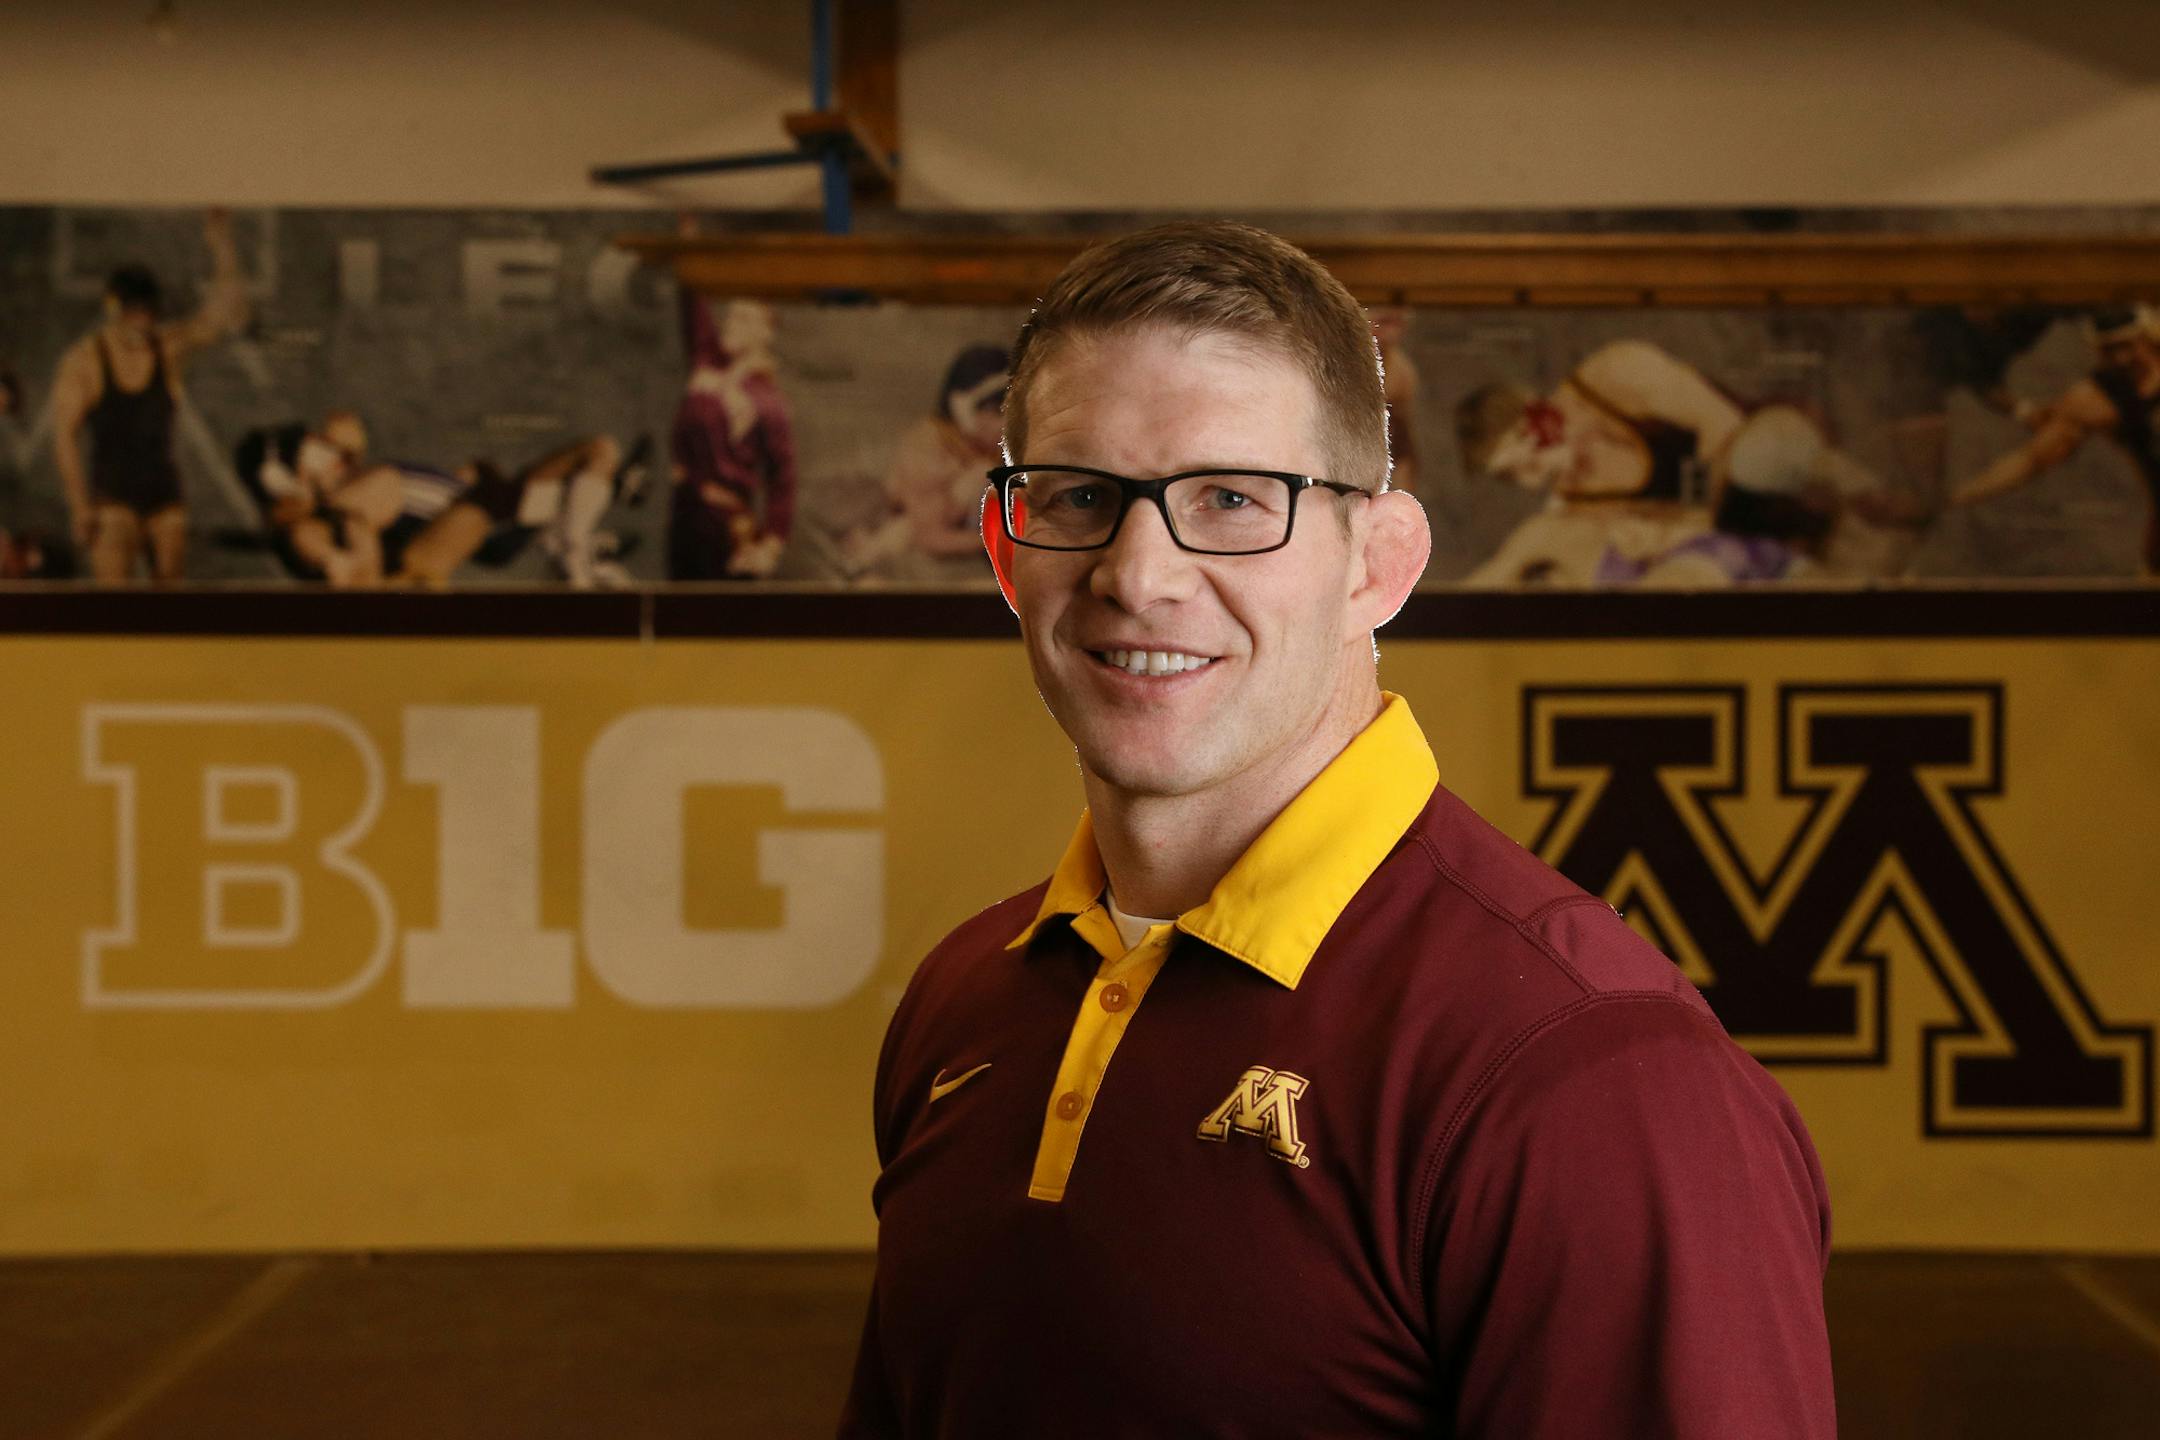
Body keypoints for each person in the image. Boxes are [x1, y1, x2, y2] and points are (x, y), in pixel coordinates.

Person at [841, 223, 1835, 1437]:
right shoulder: (965, 1002)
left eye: (1230, 499)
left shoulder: (1594, 1080)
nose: (1139, 575)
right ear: (1007, 552)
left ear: (1378, 565)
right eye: (1082, 497)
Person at [1455, 338, 1894, 585]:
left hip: (1774, 473)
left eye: (1525, 464)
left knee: (1760, 453)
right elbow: (1644, 534)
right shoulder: (1573, 500)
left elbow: (1719, 423)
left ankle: (1873, 501)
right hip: (1733, 535)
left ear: (1539, 420)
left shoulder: (1615, 374)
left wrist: (1693, 517)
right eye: (1512, 477)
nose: (1531, 483)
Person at [48, 209, 249, 582]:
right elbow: (63, 437)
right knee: (112, 594)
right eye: (134, 316)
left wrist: (223, 246)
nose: (142, 326)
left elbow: (225, 316)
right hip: (112, 496)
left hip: (163, 495)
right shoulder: (84, 362)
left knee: (169, 594)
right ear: (114, 312)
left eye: (148, 316)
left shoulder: (166, 347)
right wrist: (79, 505)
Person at [234, 412, 643, 588]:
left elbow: (349, 435)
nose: (327, 452)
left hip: (486, 509)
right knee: (593, 459)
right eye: (312, 452)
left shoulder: (348, 488)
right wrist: (350, 564)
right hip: (482, 520)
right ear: (293, 479)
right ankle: (576, 551)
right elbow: (363, 571)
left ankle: (573, 542)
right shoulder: (345, 506)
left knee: (599, 451)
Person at [1930, 305, 2160, 572]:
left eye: (2127, 345)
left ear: (2145, 338)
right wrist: (1958, 497)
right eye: (2110, 350)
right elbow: (2031, 460)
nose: (2121, 359)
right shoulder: (2099, 398)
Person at [837, 344, 1008, 582]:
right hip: (914, 564)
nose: (1005, 422)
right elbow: (931, 538)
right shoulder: (928, 448)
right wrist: (1002, 537)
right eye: (996, 411)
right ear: (964, 407)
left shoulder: (994, 449)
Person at [667, 286, 796, 581]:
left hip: (727, 527)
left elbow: (783, 479)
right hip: (685, 515)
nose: (730, 323)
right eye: (730, 315)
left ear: (766, 333)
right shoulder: (707, 362)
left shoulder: (769, 401)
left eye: (744, 318)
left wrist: (770, 547)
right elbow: (692, 294)